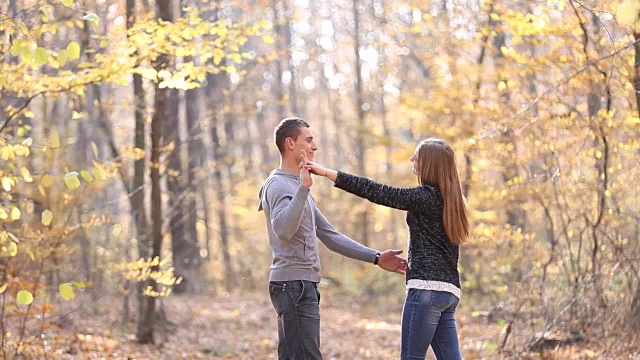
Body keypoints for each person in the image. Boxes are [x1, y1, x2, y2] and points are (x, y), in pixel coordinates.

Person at [305, 138, 469, 360]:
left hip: (425, 291)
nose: (412, 159)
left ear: (429, 163)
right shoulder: (452, 201)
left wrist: (327, 172)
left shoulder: (426, 197)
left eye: (417, 156)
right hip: (448, 293)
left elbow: (378, 192)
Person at [258, 117, 408, 360]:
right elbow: (282, 230)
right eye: (308, 140)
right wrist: (303, 189)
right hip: (292, 284)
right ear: (290, 144)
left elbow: (330, 236)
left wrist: (377, 257)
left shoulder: (297, 186)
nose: (314, 146)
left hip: (302, 285)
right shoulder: (278, 185)